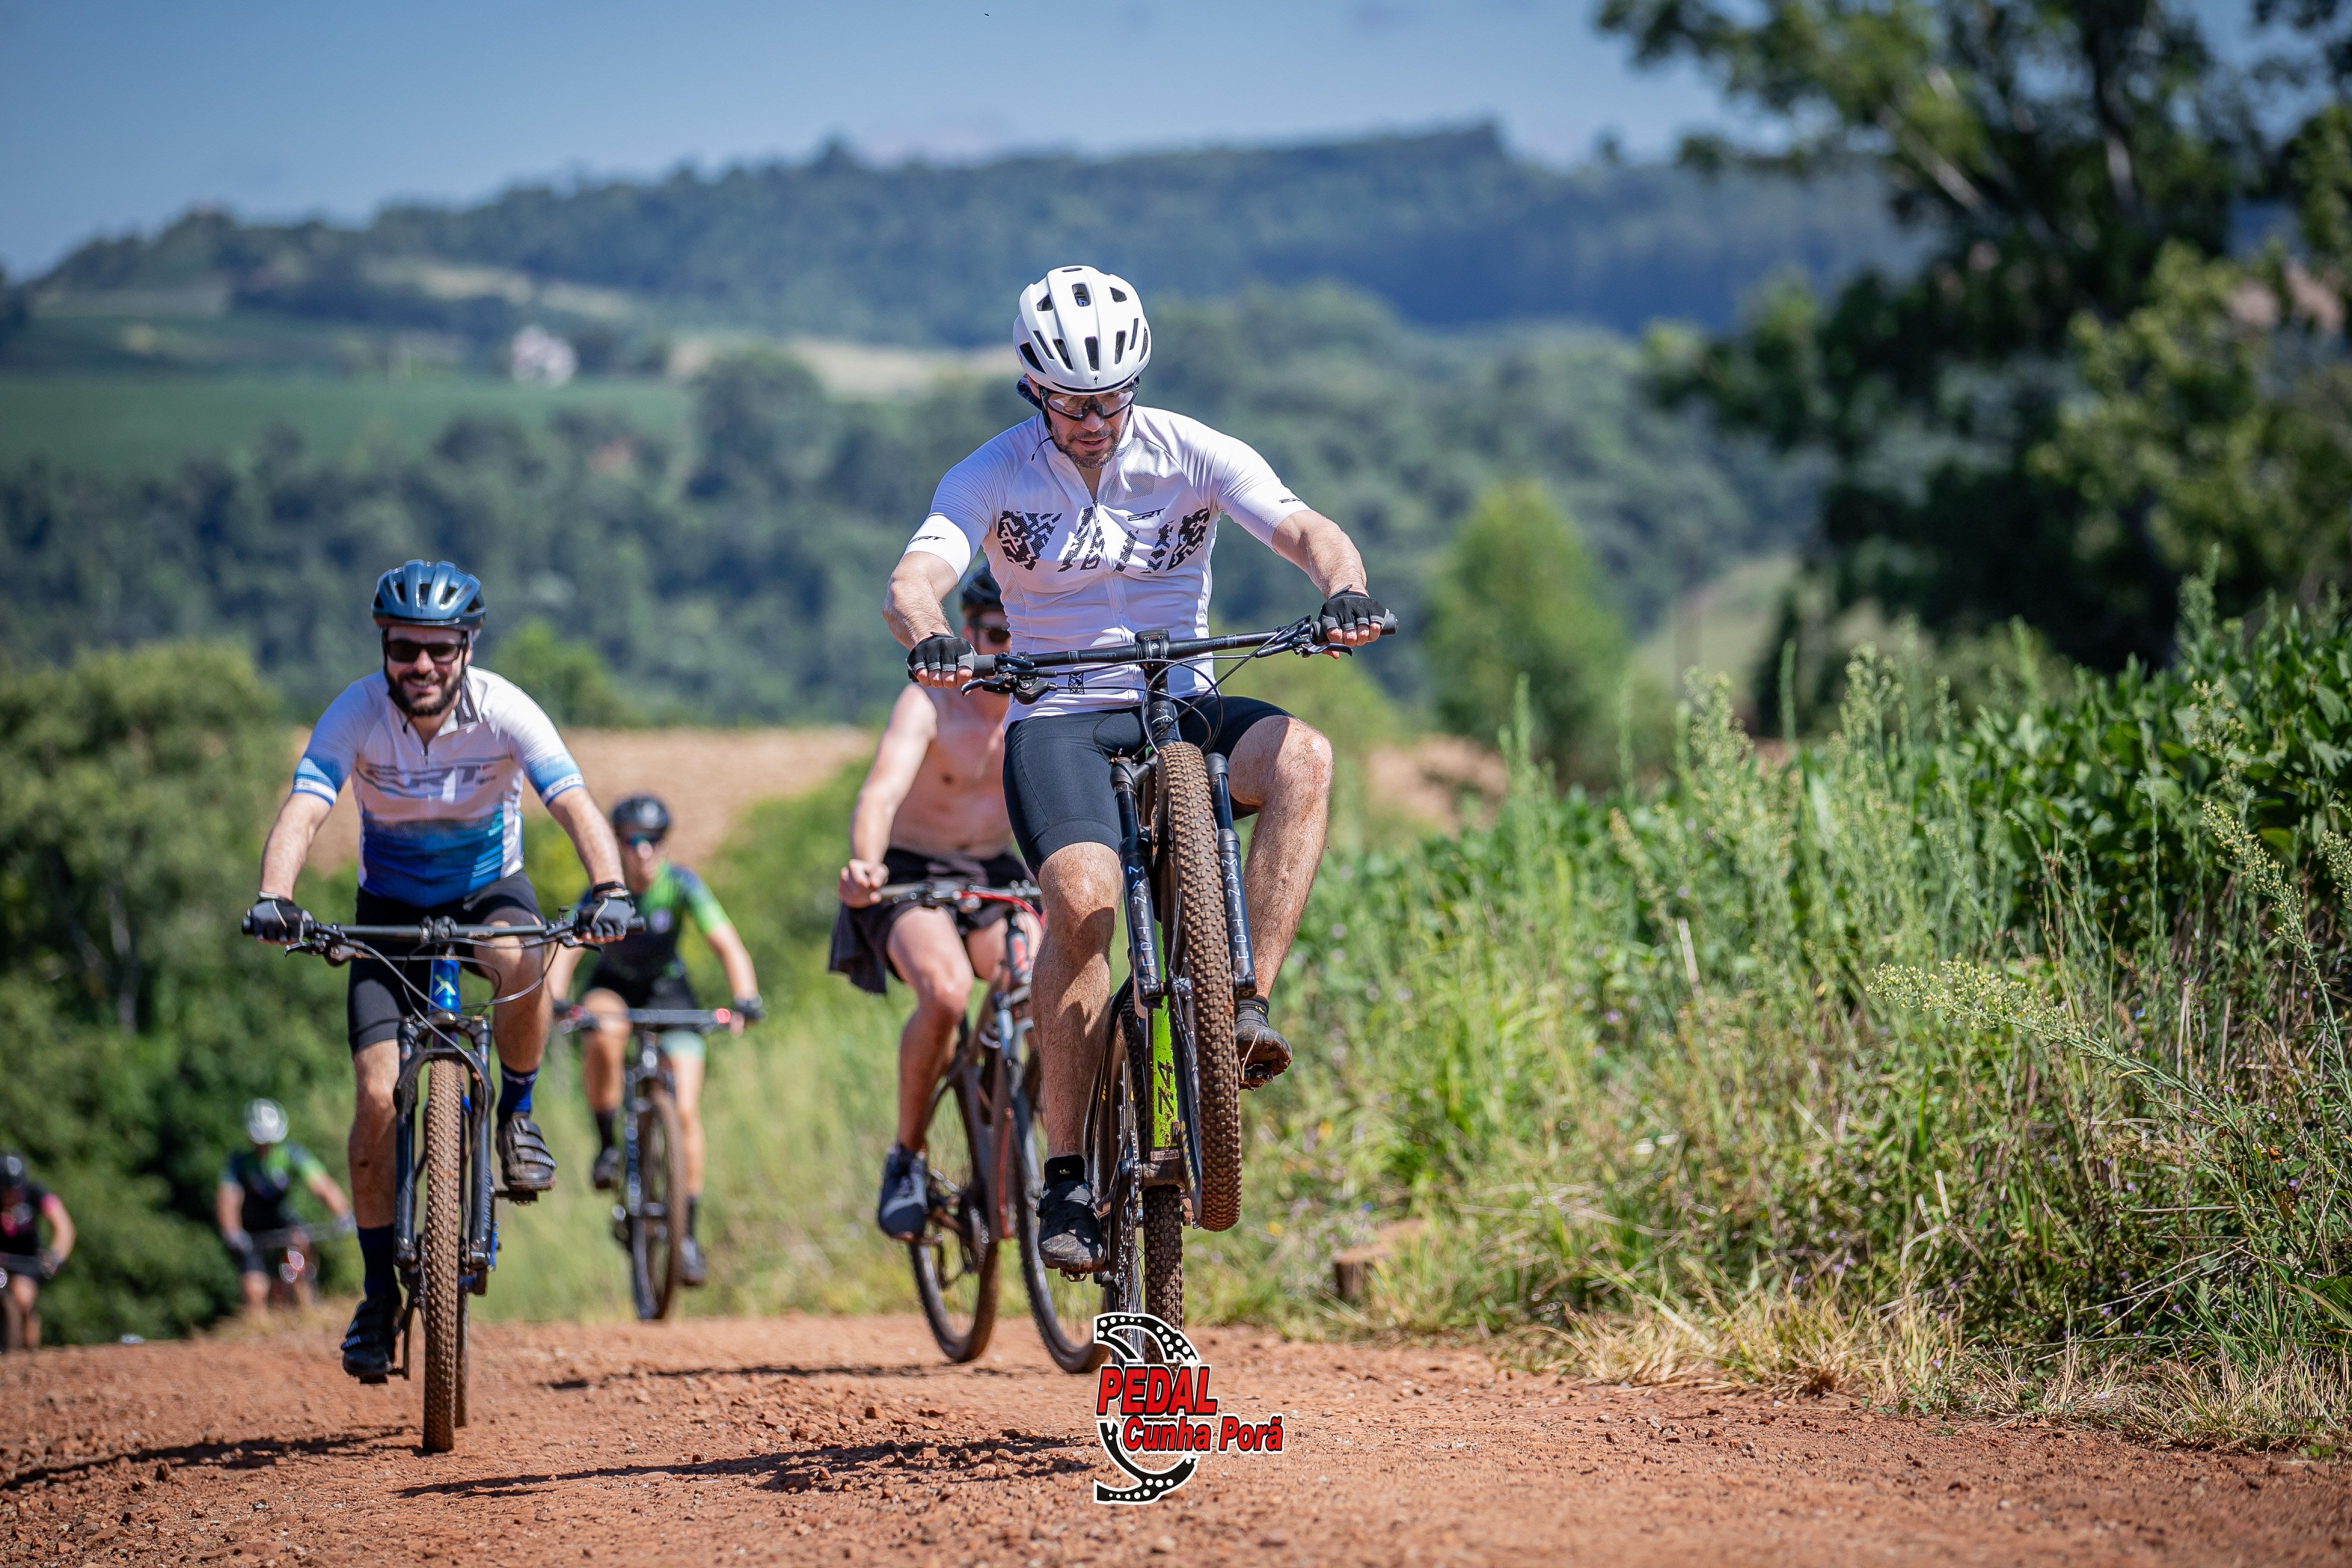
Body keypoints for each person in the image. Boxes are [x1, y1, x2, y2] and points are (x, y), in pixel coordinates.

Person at [885, 266, 1388, 1270]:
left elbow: (1306, 528)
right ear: (1033, 389)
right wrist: (931, 632)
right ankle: (1067, 1173)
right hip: (1060, 716)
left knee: (1306, 757)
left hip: (1182, 701)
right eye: (1072, 404)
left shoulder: (1190, 449)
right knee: (1081, 902)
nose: (1094, 422)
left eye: (1111, 399)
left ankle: (1242, 1011)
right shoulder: (992, 472)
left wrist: (1343, 588)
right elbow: (918, 574)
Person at [243, 560, 635, 1382]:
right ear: (384, 648)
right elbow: (306, 808)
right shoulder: (356, 713)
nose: (420, 666)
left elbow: (572, 802)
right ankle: (377, 1296)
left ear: (467, 647)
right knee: (375, 1096)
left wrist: (610, 889)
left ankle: (516, 1113)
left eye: (439, 649)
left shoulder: (505, 709)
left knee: (522, 954)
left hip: (489, 892)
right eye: (403, 649)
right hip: (388, 909)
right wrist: (275, 896)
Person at [830, 568, 1042, 1241]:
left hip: (994, 870)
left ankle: (1005, 1104)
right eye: (996, 634)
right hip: (910, 870)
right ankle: (908, 1156)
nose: (1008, 650)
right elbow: (880, 793)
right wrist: (866, 862)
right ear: (967, 633)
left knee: (1037, 982)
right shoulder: (930, 703)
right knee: (946, 994)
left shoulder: (1040, 699)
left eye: (1021, 634)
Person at [546, 794, 762, 1288]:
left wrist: (746, 997)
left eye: (654, 840)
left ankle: (686, 1236)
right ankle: (607, 1145)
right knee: (604, 1030)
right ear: (618, 844)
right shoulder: (603, 892)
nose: (644, 850)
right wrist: (556, 1000)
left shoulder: (682, 886)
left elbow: (726, 943)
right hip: (613, 987)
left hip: (670, 992)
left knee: (685, 1111)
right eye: (633, 840)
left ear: (666, 842)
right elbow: (568, 951)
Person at [217, 1099, 350, 1319]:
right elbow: (228, 1199)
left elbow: (321, 1185)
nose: (265, 1146)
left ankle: (308, 1314)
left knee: (299, 1253)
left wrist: (343, 1214)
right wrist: (232, 1232)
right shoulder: (240, 1164)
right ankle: (258, 1329)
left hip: (282, 1221)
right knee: (255, 1289)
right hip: (251, 1233)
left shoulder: (290, 1154)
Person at [0, 1153, 73, 1346]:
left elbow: (64, 1227)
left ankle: (29, 1353)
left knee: (23, 1298)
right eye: (6, 1190)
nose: (12, 1195)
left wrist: (56, 1256)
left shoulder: (36, 1193)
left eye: (15, 1190)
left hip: (25, 1263)